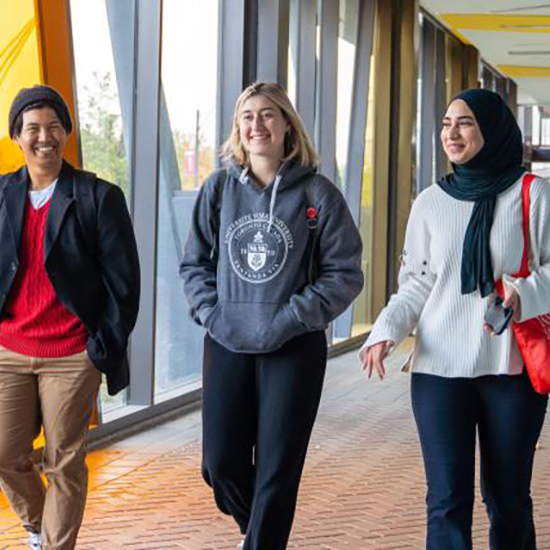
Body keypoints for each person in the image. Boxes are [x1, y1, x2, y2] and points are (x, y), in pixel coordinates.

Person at [360, 88, 550, 550]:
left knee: (507, 499)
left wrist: (522, 294)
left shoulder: (534, 194)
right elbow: (418, 281)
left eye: (464, 122)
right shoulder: (431, 201)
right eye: (446, 123)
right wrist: (386, 328)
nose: (452, 132)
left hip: (510, 370)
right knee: (445, 501)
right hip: (439, 370)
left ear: (492, 128)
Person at [180, 82, 363, 550]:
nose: (256, 125)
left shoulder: (318, 193)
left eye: (266, 115)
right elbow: (194, 263)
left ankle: (262, 541)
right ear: (238, 130)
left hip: (293, 346)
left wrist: (291, 318)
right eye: (247, 117)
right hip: (226, 339)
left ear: (286, 125)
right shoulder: (219, 189)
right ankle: (255, 532)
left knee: (278, 468)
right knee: (219, 464)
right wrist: (211, 313)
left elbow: (344, 273)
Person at [0, 85, 140, 550]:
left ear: (67, 132)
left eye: (53, 126)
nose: (44, 136)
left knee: (65, 461)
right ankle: (42, 526)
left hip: (71, 353)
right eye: (33, 128)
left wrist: (99, 347)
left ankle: (57, 545)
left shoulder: (98, 196)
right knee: (4, 453)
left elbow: (124, 283)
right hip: (10, 349)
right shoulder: (1, 194)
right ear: (17, 135)